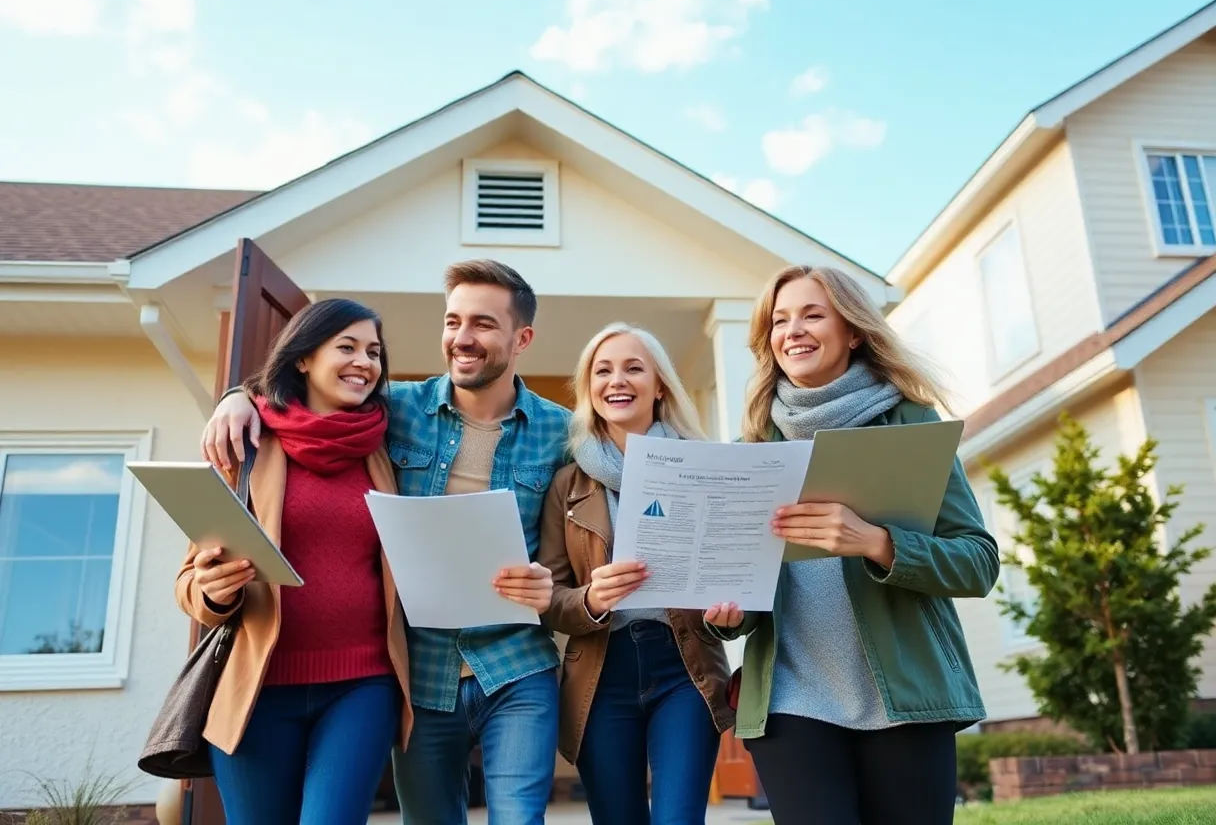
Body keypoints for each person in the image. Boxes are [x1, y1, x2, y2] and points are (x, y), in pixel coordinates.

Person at [199, 260, 567, 825]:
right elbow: (308, 392)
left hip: (511, 659)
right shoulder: (392, 412)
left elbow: (604, 501)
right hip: (420, 669)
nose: (462, 338)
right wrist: (237, 395)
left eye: (483, 325)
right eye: (452, 321)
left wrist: (554, 583)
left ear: (522, 339)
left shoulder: (563, 431)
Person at [703, 265, 999, 825]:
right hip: (791, 702)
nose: (793, 330)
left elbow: (978, 561)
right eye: (780, 320)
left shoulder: (910, 423)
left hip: (907, 701)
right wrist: (726, 614)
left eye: (813, 314)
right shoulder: (749, 447)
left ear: (854, 330)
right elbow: (735, 596)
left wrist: (878, 543)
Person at [176, 298, 411, 825]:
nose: (365, 362)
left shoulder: (388, 441)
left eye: (374, 352)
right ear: (303, 358)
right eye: (346, 347)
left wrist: (239, 392)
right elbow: (188, 581)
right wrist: (214, 590)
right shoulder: (246, 444)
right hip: (258, 686)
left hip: (363, 682)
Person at [537, 323, 734, 825]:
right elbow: (551, 597)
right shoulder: (568, 484)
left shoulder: (706, 467)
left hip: (684, 666)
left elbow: (737, 572)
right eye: (602, 370)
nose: (616, 380)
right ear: (588, 389)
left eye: (633, 368)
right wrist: (591, 600)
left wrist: (732, 613)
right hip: (601, 675)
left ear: (660, 384)